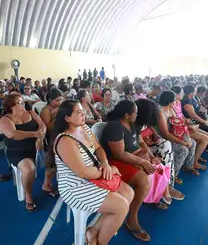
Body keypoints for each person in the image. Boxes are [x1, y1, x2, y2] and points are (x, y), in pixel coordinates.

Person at [53, 100, 133, 244]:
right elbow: (82, 172)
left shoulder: (84, 128)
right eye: (78, 112)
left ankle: (94, 230)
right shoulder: (65, 140)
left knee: (129, 193)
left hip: (95, 175)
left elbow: (98, 148)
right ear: (67, 118)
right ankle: (100, 242)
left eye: (82, 111)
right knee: (121, 207)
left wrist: (106, 164)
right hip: (75, 186)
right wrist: (105, 171)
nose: (83, 114)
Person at [101, 100, 161, 242]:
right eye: (135, 112)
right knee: (143, 179)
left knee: (154, 166)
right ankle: (131, 219)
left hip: (132, 156)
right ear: (127, 115)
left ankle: (155, 195)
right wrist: (142, 161)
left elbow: (141, 142)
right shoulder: (114, 127)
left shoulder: (133, 124)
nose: (137, 115)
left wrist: (151, 157)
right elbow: (119, 154)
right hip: (114, 163)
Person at [0, 94, 46, 212]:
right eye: (20, 102)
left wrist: (40, 138)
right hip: (18, 151)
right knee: (29, 169)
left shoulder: (30, 113)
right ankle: (28, 193)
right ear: (11, 106)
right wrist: (34, 134)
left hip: (35, 148)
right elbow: (12, 134)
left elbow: (42, 125)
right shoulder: (5, 119)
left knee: (56, 160)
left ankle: (47, 185)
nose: (23, 104)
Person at [135, 98, 184, 202]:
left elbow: (150, 131)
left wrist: (155, 137)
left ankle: (167, 183)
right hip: (138, 150)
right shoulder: (134, 123)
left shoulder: (145, 121)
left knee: (166, 144)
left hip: (147, 144)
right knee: (162, 152)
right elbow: (138, 143)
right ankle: (165, 186)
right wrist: (149, 153)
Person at [158, 91, 198, 181]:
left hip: (175, 134)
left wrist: (186, 137)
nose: (176, 102)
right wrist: (182, 142)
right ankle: (172, 175)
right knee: (183, 149)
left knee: (193, 143)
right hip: (164, 139)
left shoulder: (171, 109)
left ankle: (188, 166)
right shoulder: (161, 113)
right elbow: (166, 134)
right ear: (169, 102)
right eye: (174, 100)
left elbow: (179, 125)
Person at [40, 88, 63, 196]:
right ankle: (46, 184)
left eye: (60, 100)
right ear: (50, 100)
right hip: (51, 138)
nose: (59, 103)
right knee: (53, 163)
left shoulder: (59, 107)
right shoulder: (46, 110)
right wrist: (59, 117)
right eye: (57, 100)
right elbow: (47, 127)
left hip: (61, 136)